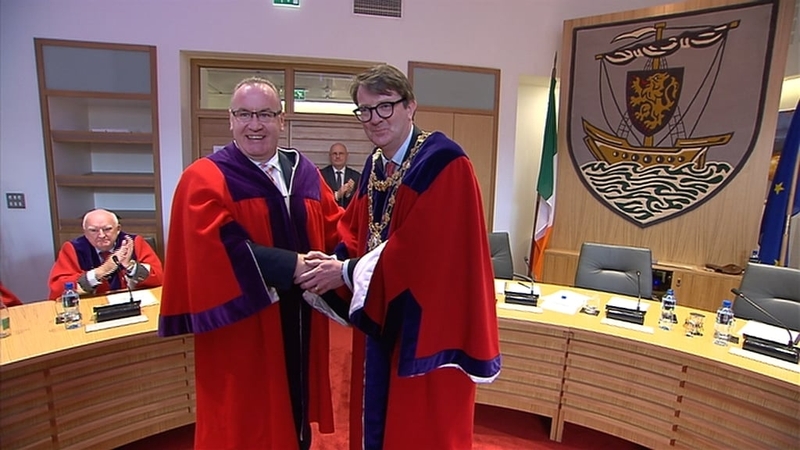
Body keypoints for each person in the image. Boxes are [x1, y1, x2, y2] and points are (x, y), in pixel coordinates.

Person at [297, 64, 501, 449]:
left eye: (385, 106)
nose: (374, 119)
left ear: (410, 106)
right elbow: (355, 230)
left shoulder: (444, 162)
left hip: (427, 320)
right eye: (365, 110)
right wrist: (331, 261)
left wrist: (344, 271)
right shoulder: (376, 165)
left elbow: (425, 251)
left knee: (421, 427)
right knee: (379, 417)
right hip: (382, 308)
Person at [158, 77, 343, 450]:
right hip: (242, 324)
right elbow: (210, 246)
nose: (254, 124)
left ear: (281, 119)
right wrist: (290, 265)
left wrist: (351, 259)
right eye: (244, 114)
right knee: (244, 418)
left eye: (265, 114)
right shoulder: (205, 177)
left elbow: (334, 226)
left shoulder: (304, 172)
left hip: (301, 319)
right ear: (230, 119)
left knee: (296, 403)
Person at [47, 209, 163, 300]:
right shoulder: (73, 249)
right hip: (91, 307)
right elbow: (58, 289)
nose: (101, 235)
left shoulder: (134, 243)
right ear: (85, 232)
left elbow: (160, 278)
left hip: (132, 305)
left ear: (118, 229)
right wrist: (102, 270)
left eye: (107, 229)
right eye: (93, 230)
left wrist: (130, 266)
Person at [320, 142, 361, 208]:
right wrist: (337, 195)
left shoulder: (356, 176)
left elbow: (360, 202)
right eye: (334, 154)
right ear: (330, 156)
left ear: (347, 156)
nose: (338, 156)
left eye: (341, 153)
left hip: (348, 217)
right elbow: (319, 199)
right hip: (328, 216)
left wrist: (348, 194)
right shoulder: (321, 175)